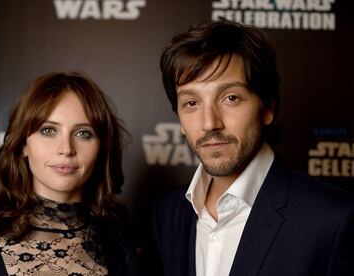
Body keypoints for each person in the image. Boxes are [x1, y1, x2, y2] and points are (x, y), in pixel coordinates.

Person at [152, 18, 354, 276]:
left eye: (230, 98)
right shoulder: (167, 212)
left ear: (268, 107)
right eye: (191, 103)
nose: (210, 123)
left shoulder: (334, 219)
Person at [0, 72, 138, 276]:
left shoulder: (128, 249)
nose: (66, 149)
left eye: (83, 133)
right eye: (49, 130)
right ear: (23, 144)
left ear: (101, 148)